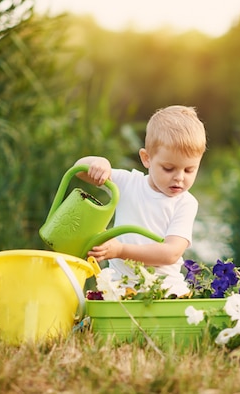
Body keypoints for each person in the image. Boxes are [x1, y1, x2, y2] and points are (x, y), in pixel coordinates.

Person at [73, 105, 207, 296]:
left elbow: (171, 253)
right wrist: (99, 163)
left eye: (189, 170)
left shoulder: (185, 203)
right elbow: (79, 170)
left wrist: (120, 250)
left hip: (163, 290)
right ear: (147, 159)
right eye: (168, 168)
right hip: (118, 288)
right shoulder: (128, 183)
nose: (179, 177)